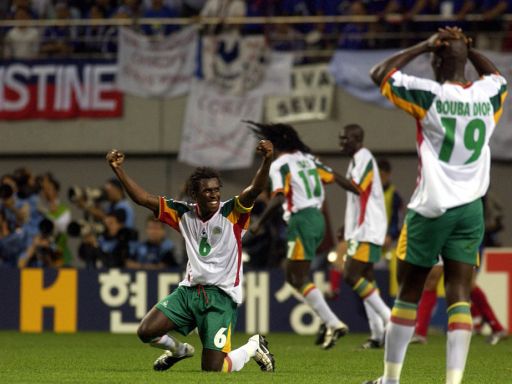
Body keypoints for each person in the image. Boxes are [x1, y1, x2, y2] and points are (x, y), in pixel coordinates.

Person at [366, 26, 507, 384]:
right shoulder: (488, 94)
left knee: (410, 290)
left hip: (432, 207)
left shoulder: (429, 95)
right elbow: (497, 77)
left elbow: (379, 73)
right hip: (471, 208)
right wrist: (469, 49)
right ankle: (453, 382)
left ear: (436, 60)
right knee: (460, 293)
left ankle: (391, 380)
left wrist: (424, 44)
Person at [106, 140, 275, 373]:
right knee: (146, 332)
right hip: (189, 292)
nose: (214, 195)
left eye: (217, 189)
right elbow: (143, 199)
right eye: (208, 191)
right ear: (194, 194)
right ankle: (179, 350)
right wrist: (118, 169)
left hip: (220, 298)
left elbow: (254, 189)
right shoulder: (182, 213)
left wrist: (267, 159)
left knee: (214, 370)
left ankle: (253, 347)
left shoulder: (233, 212)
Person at [248, 121, 356, 350]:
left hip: (301, 220)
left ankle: (332, 322)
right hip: (318, 221)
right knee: (291, 273)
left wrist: (259, 223)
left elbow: (277, 198)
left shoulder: (280, 165)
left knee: (296, 278)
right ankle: (327, 320)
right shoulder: (309, 159)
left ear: (276, 144)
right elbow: (335, 176)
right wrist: (359, 191)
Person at [339, 124, 390, 350]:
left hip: (368, 229)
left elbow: (357, 188)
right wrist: (346, 226)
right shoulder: (356, 160)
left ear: (356, 139)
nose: (341, 142)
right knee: (366, 280)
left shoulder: (364, 157)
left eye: (344, 138)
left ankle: (390, 320)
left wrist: (331, 176)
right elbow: (358, 198)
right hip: (360, 228)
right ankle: (377, 334)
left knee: (351, 275)